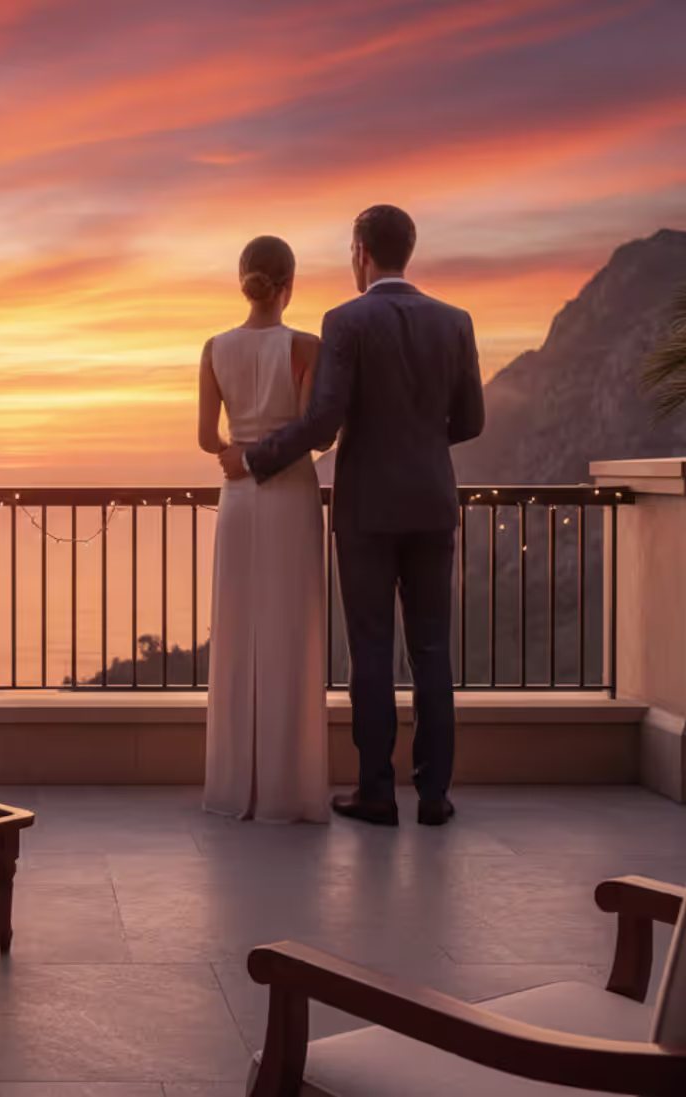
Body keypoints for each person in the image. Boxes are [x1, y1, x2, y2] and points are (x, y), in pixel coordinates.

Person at [220, 206, 484, 827]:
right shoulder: (455, 322)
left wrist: (254, 458)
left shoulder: (345, 320)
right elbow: (470, 421)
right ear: (407, 251)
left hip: (366, 508)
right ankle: (435, 796)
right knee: (433, 651)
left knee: (370, 649)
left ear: (361, 251)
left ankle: (376, 793)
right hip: (431, 502)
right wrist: (419, 441)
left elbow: (323, 423)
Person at [198, 235, 329, 823]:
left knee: (237, 628)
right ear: (290, 284)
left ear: (243, 280)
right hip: (291, 494)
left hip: (238, 499)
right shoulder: (306, 347)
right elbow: (316, 434)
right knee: (289, 631)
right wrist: (265, 452)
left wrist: (236, 452)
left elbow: (206, 436)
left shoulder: (215, 348)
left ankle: (232, 786)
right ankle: (286, 788)